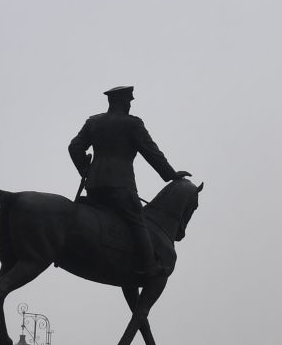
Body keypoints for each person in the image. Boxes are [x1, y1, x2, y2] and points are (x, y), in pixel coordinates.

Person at [67, 85, 190, 279]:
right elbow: (151, 152)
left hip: (94, 186)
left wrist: (85, 169)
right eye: (129, 100)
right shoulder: (132, 124)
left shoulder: (93, 122)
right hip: (120, 185)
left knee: (108, 219)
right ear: (122, 101)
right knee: (137, 219)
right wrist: (171, 174)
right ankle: (149, 266)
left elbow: (74, 147)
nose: (130, 104)